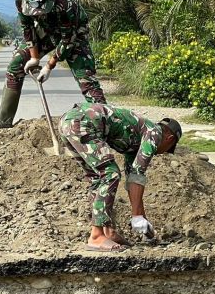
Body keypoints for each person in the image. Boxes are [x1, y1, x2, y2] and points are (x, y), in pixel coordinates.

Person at [58, 102, 182, 252]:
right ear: (169, 138)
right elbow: (137, 175)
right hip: (84, 123)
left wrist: (141, 217)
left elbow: (134, 179)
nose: (163, 153)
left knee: (97, 178)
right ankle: (96, 237)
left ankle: (107, 231)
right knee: (110, 174)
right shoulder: (154, 134)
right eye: (168, 149)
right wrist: (136, 216)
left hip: (69, 122)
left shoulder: (137, 139)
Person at [0, 0, 106, 129]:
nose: (39, 14)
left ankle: (105, 123)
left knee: (86, 78)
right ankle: (3, 122)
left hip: (74, 33)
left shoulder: (66, 1)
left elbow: (67, 40)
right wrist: (34, 57)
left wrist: (49, 65)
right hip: (45, 30)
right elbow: (27, 28)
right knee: (16, 64)